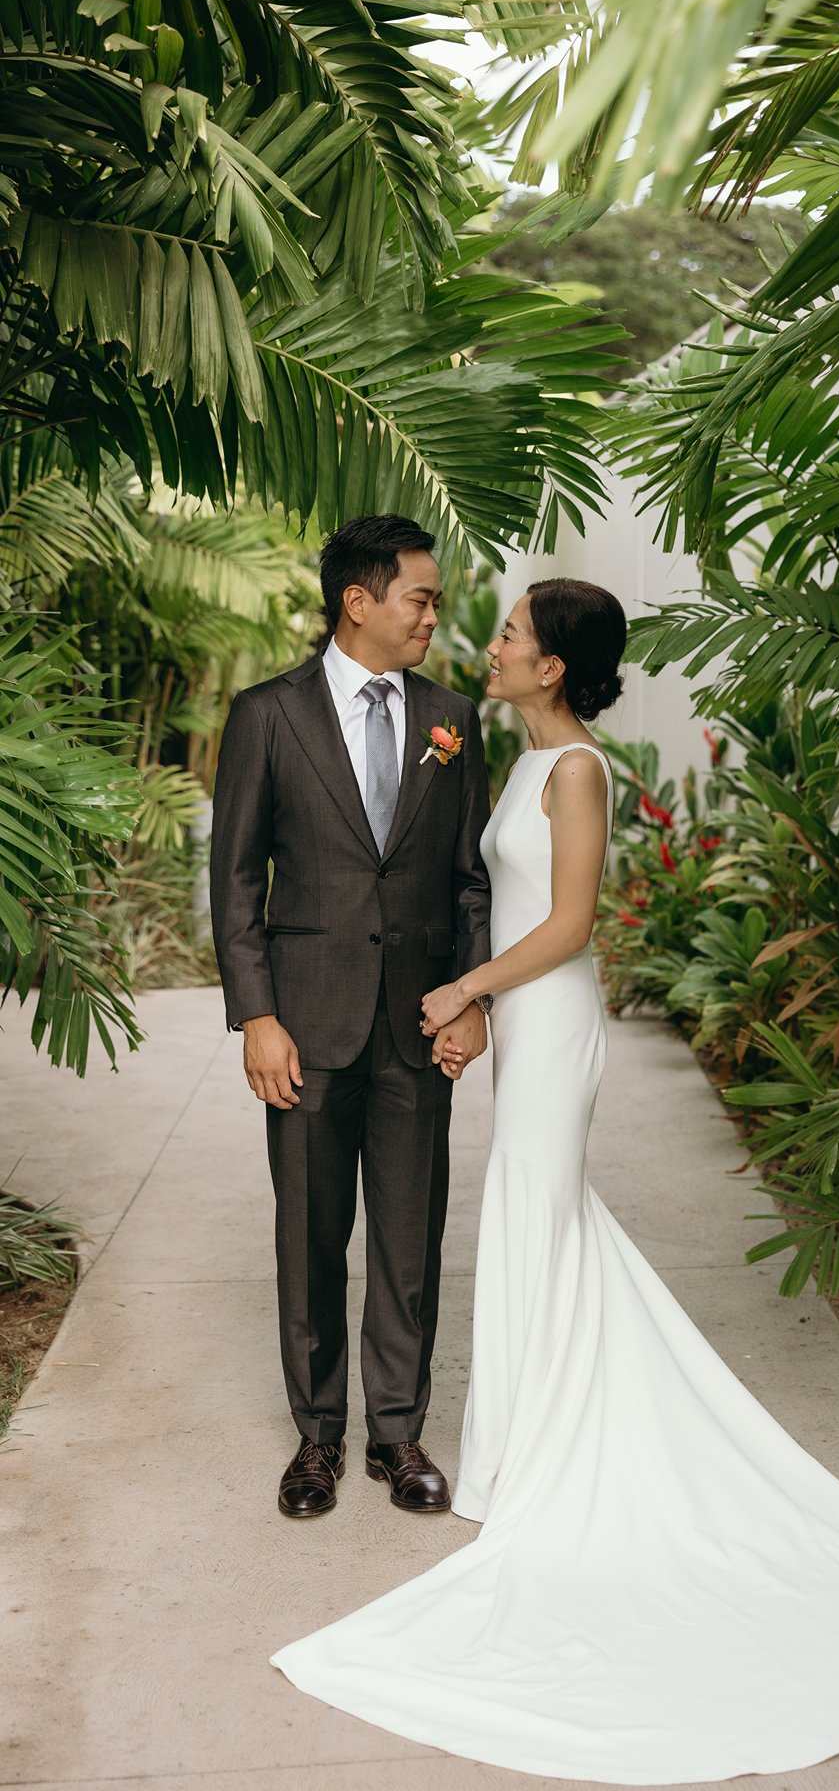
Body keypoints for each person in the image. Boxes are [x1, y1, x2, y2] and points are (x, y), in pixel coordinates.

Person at [270, 578, 839, 1784]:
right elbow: (485, 898)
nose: (491, 647)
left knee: (535, 1217)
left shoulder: (576, 776)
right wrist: (476, 1002)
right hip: (521, 1022)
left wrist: (467, 996)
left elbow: (569, 924)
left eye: (510, 634)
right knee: (540, 1225)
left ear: (553, 667)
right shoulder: (514, 760)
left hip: (556, 1023)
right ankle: (522, 1449)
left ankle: (539, 1462)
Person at [209, 515, 491, 1523]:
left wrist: (472, 999)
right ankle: (317, 1438)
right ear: (358, 601)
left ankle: (397, 1433)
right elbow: (236, 880)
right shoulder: (265, 717)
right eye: (419, 595)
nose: (432, 613)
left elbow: (467, 881)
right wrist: (257, 1016)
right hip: (308, 1023)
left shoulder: (453, 717)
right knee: (311, 1235)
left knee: (409, 1236)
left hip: (417, 1024)